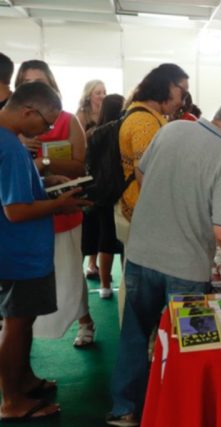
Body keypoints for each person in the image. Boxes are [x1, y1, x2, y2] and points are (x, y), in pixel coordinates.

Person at [106, 96, 221, 426]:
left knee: (135, 333)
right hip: (187, 269)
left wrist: (168, 205)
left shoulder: (173, 129)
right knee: (191, 344)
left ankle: (125, 408)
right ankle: (181, 412)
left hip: (141, 255)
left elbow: (141, 172)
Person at [0, 82, 91, 422]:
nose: (50, 130)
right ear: (28, 112)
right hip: (18, 250)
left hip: (20, 250)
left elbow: (18, 193)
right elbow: (15, 210)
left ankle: (23, 381)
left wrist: (46, 186)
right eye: (48, 122)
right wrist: (58, 204)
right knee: (17, 324)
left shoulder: (10, 143)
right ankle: (12, 401)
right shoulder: (9, 146)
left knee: (22, 322)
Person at [14, 60, 96, 347]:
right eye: (26, 83)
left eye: (40, 82)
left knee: (70, 272)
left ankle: (84, 319)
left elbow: (79, 166)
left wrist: (43, 161)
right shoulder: (11, 125)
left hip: (63, 211)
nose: (34, 88)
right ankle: (24, 334)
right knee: (32, 278)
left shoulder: (67, 119)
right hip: (26, 218)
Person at [115, 63, 189, 324]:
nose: (183, 100)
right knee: (139, 287)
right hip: (144, 211)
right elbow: (147, 176)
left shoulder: (144, 115)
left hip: (141, 210)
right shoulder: (145, 121)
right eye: (183, 92)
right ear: (169, 86)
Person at [81, 94, 125, 299]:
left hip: (102, 193)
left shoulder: (94, 134)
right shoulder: (123, 130)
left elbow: (88, 164)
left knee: (105, 240)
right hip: (123, 191)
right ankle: (126, 284)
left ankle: (105, 286)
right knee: (126, 241)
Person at [76, 79, 107, 283]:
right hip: (86, 172)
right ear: (89, 95)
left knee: (97, 222)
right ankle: (78, 264)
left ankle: (92, 264)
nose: (102, 96)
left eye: (104, 92)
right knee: (86, 220)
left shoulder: (106, 115)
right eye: (98, 93)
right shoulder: (80, 116)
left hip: (102, 172)